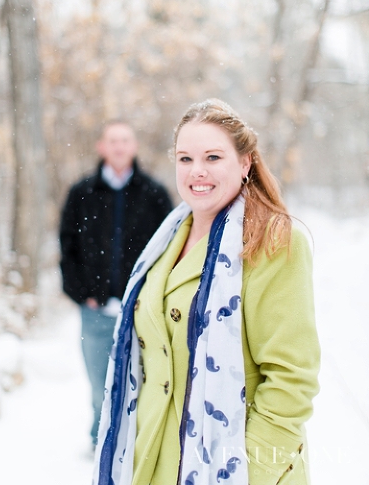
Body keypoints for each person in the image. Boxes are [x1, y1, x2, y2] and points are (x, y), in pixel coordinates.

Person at [93, 99, 320, 485]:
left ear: (245, 162)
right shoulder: (166, 239)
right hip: (151, 459)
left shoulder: (273, 241)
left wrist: (251, 470)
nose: (197, 171)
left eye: (213, 157)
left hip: (231, 468)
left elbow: (291, 380)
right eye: (185, 159)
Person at [59, 120, 172, 445]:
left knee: (141, 379)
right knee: (100, 383)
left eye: (125, 140)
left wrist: (152, 294)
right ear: (102, 147)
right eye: (113, 140)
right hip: (95, 311)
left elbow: (169, 249)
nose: (120, 146)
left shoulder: (154, 194)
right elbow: (67, 247)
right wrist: (82, 293)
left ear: (134, 147)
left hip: (141, 309)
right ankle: (102, 438)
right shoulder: (82, 194)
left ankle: (135, 441)